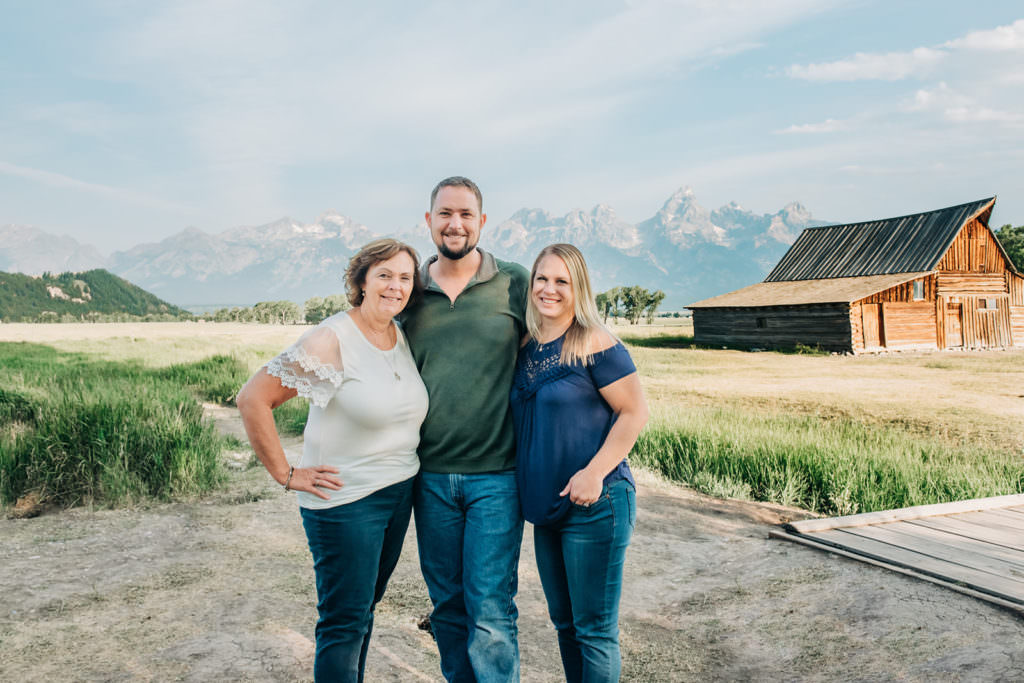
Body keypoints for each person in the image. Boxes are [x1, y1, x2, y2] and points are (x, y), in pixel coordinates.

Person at [236, 238, 428, 683]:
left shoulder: (397, 333)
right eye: (384, 275)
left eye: (404, 277)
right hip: (346, 503)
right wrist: (285, 473)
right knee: (343, 622)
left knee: (362, 612)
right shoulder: (331, 338)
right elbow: (253, 399)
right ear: (361, 281)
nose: (395, 286)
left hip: (398, 494)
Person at [399, 176, 530, 682]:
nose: (456, 224)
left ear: (482, 222)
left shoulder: (516, 281)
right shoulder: (408, 288)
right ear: (429, 221)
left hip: (497, 476)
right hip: (428, 477)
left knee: (492, 609)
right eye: (446, 214)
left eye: (466, 214)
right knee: (448, 607)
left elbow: (555, 344)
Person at [510, 243, 649, 682]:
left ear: (579, 287)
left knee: (594, 631)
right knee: (565, 625)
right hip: (548, 507)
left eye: (561, 281)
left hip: (597, 503)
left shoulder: (594, 342)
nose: (549, 289)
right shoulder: (528, 345)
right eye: (542, 279)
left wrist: (594, 471)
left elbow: (634, 412)